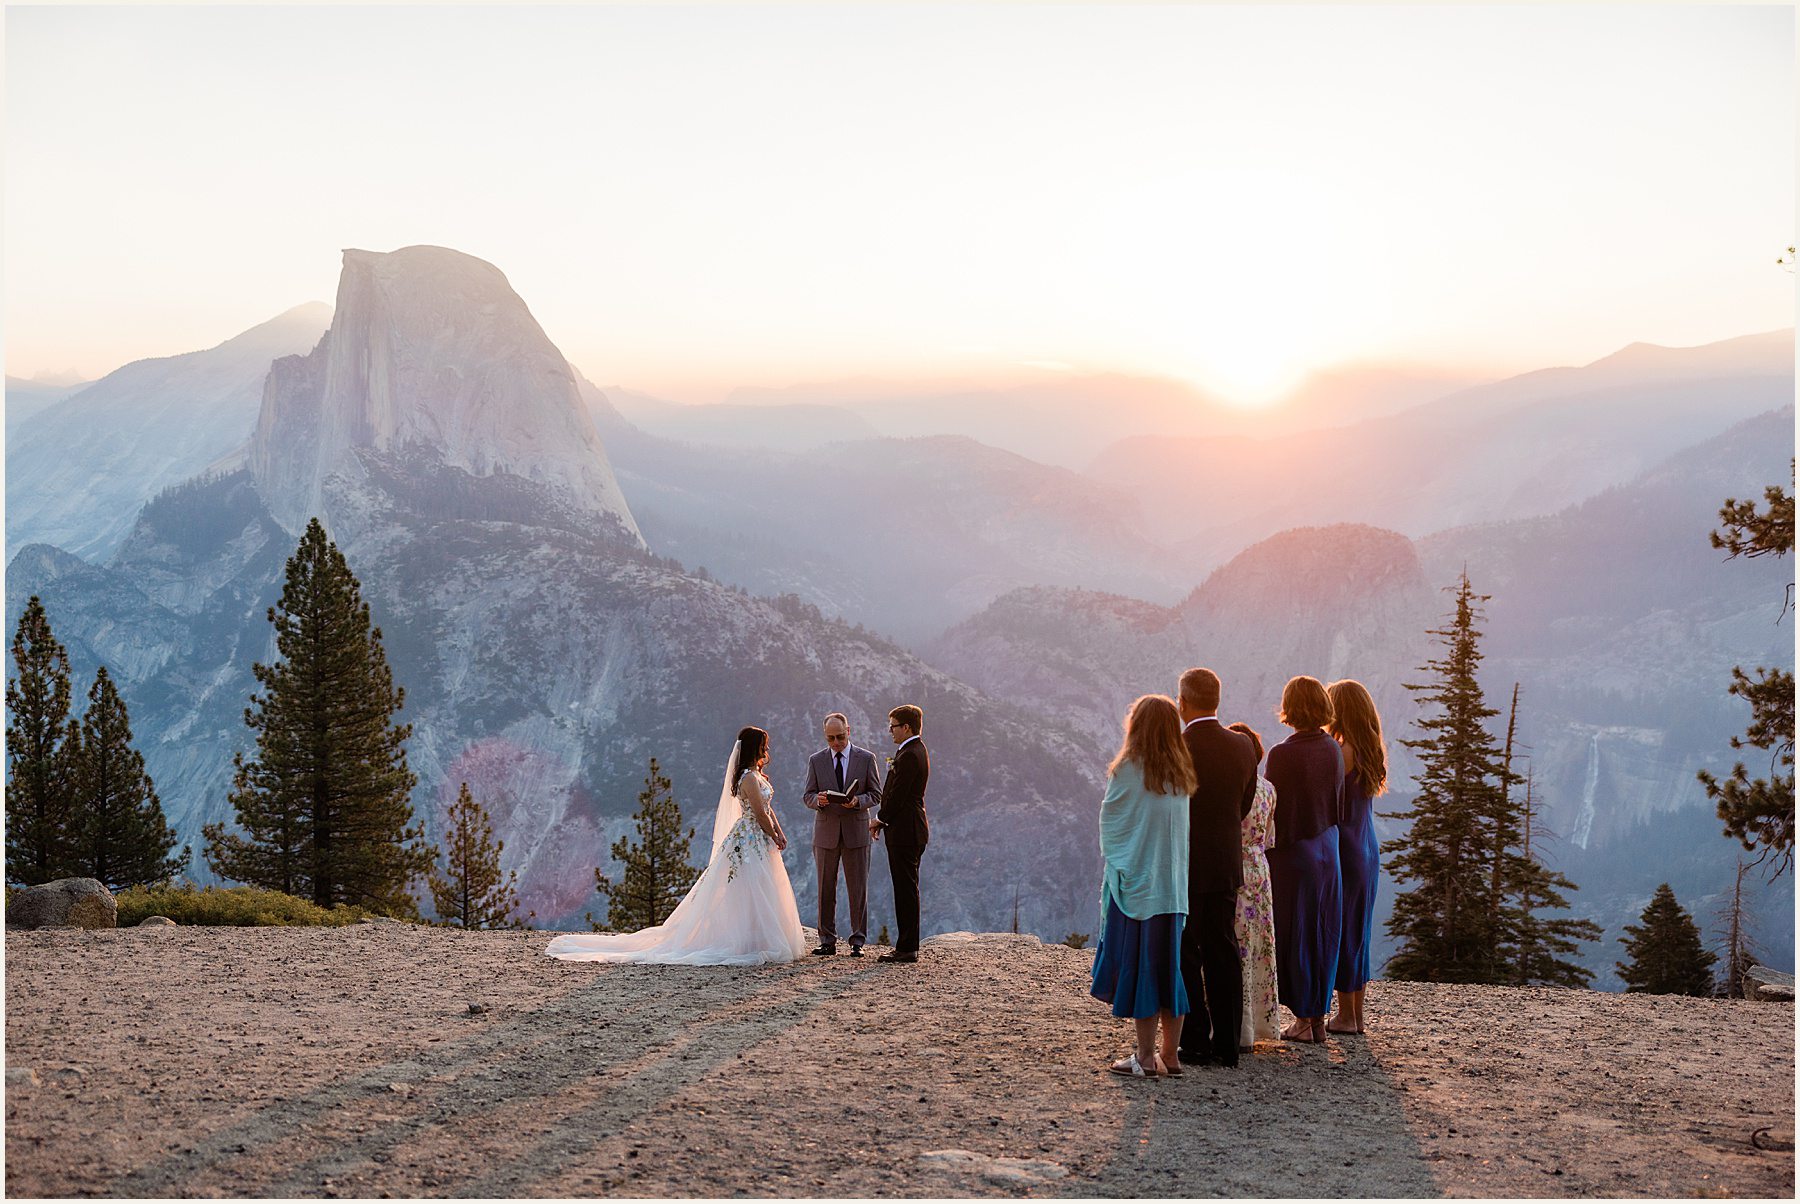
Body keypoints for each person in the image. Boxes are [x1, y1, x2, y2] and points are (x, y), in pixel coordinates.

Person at [544, 726, 807, 965]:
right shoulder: (748, 778)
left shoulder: (756, 775)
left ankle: (758, 937)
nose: (767, 749)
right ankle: (750, 940)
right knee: (751, 886)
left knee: (760, 886)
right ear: (754, 747)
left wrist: (779, 832)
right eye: (763, 744)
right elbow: (759, 813)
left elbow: (768, 810)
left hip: (758, 837)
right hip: (750, 838)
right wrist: (774, 835)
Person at [1090, 694, 1195, 1078]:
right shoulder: (1181, 774)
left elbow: (1111, 826)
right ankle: (1171, 1055)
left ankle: (1146, 1058)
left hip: (1139, 889)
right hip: (1173, 889)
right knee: (1170, 970)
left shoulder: (1129, 770)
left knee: (1144, 971)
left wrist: (1120, 867)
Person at [1173, 668, 1257, 1069]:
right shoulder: (1243, 746)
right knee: (1223, 949)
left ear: (1183, 703)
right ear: (1217, 700)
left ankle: (1194, 1040)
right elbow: (1244, 804)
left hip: (1185, 862)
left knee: (1187, 950)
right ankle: (1228, 1043)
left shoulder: (1177, 745)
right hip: (1225, 862)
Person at [1264, 676, 1343, 1043]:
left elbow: (1272, 809)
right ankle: (1317, 1019)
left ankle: (1302, 1021)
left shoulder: (1282, 754)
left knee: (1295, 934)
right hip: (1329, 848)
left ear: (1290, 708)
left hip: (1295, 853)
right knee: (1322, 931)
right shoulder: (1332, 748)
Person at [1326, 678, 1388, 1035]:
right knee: (1359, 931)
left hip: (1345, 849)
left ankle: (1347, 1016)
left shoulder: (1341, 751)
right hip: (1366, 848)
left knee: (1345, 930)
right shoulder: (1370, 749)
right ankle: (1355, 1015)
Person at [801, 712, 882, 957]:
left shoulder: (866, 758)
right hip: (826, 833)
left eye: (839, 737)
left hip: (856, 831)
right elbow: (807, 795)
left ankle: (858, 941)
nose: (835, 742)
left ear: (849, 731)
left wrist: (857, 801)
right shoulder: (816, 760)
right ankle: (827, 940)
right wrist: (818, 800)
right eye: (830, 738)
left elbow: (876, 794)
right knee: (825, 889)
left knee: (858, 889)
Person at [1229, 721, 1280, 1048]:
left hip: (1235, 867)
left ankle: (1236, 1027)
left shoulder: (1233, 787)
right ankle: (1259, 1025)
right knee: (1259, 943)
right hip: (1260, 869)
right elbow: (1270, 838)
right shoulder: (1269, 790)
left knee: (1234, 942)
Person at [872, 705, 929, 963]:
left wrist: (880, 819)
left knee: (905, 890)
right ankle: (906, 945)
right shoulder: (914, 751)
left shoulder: (910, 755)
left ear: (906, 727)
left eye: (893, 726)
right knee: (906, 888)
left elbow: (898, 795)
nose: (890, 731)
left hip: (906, 831)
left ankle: (907, 948)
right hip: (908, 830)